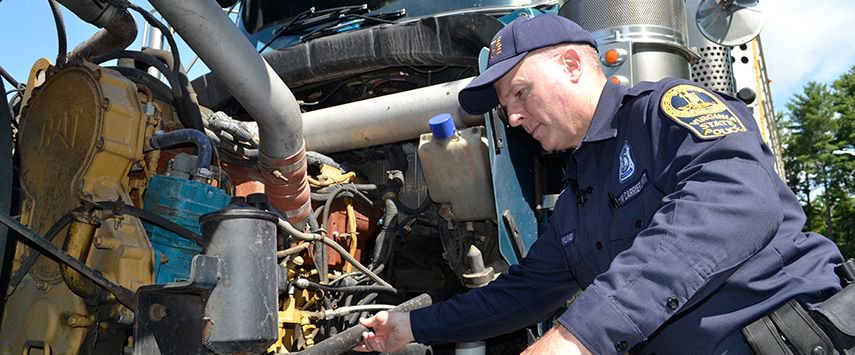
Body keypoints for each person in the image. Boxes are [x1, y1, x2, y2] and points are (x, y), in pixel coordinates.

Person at [355, 14, 844, 354]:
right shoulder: (576, 197)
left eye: (521, 93)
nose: (517, 116)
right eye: (508, 108)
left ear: (571, 64)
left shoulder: (666, 109)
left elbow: (736, 201)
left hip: (789, 337)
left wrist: (577, 336)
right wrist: (411, 326)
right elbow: (518, 296)